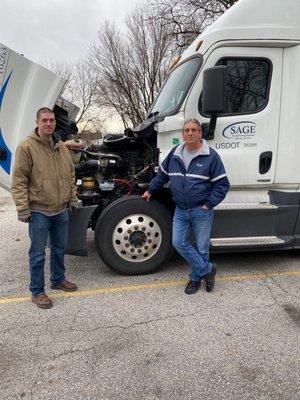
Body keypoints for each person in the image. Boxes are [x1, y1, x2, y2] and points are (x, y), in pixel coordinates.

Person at [142, 118, 230, 295]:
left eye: (194, 130)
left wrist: (208, 204)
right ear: (182, 134)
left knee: (202, 247)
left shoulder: (211, 156)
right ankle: (208, 270)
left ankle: (195, 279)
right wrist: (150, 190)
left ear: (200, 133)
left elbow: (222, 184)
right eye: (187, 130)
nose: (190, 133)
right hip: (181, 210)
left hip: (201, 210)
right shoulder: (175, 153)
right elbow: (162, 175)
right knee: (178, 242)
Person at [11, 107, 78, 309]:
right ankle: (37, 291)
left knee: (59, 249)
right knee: (38, 253)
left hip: (60, 210)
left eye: (51, 120)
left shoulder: (62, 147)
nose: (48, 124)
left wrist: (72, 199)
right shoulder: (26, 147)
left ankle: (58, 279)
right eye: (44, 120)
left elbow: (70, 176)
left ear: (55, 123)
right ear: (37, 122)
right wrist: (23, 208)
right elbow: (19, 180)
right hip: (39, 211)